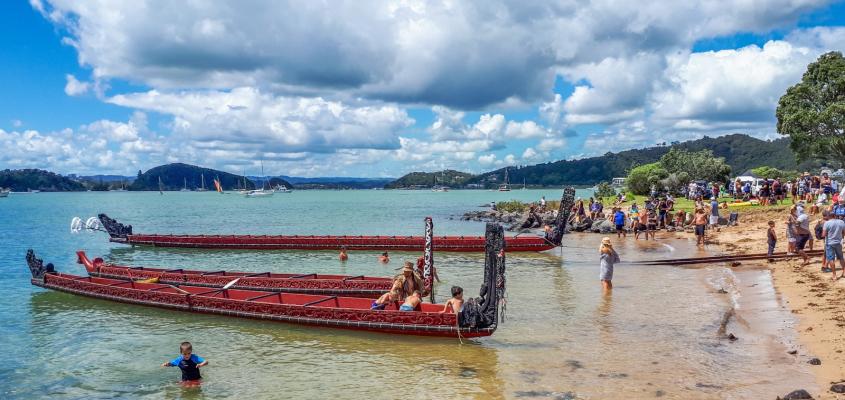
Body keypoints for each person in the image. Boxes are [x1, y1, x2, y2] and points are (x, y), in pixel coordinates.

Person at [822, 210, 845, 280]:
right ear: (835, 216)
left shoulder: (827, 223)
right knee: (841, 257)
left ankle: (834, 275)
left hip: (829, 243)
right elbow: (843, 232)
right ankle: (844, 272)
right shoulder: (841, 222)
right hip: (838, 242)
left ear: (829, 216)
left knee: (831, 259)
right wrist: (841, 237)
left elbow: (823, 234)